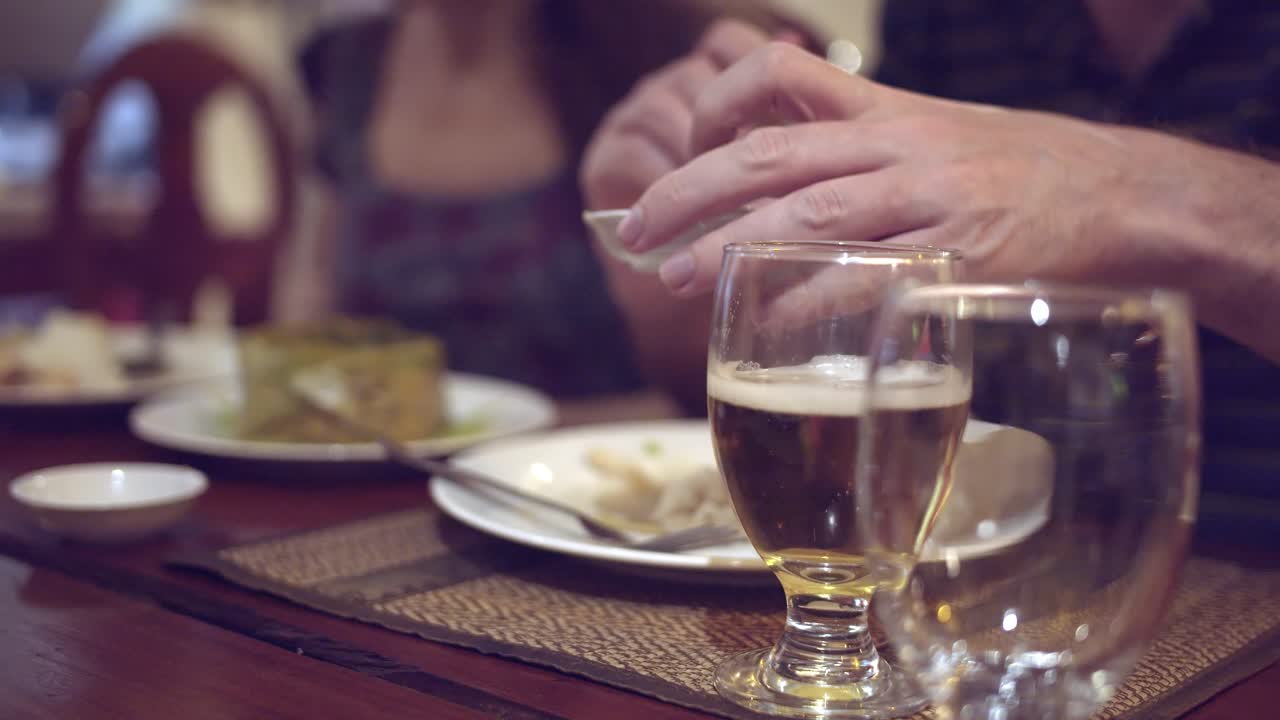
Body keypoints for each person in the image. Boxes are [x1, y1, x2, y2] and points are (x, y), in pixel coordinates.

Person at [581, 7, 1280, 498]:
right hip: (973, 594)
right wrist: (701, 265)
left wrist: (1137, 194)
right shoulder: (948, 14)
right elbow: (843, 386)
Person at [281, 0, 802, 399]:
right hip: (386, 481)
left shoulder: (650, 46)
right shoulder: (344, 61)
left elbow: (728, 370)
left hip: (596, 476)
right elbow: (308, 307)